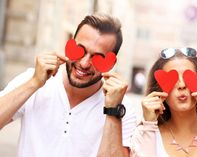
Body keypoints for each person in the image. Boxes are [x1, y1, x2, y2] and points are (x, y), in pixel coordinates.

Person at [0, 14, 136, 157]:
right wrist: (33, 84)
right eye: (80, 50)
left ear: (111, 63)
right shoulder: (33, 79)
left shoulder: (121, 108)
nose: (84, 63)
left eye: (98, 58)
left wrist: (112, 111)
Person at [130, 48, 197, 157]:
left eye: (187, 77)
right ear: (160, 89)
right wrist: (149, 125)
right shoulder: (143, 134)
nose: (181, 85)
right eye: (173, 78)